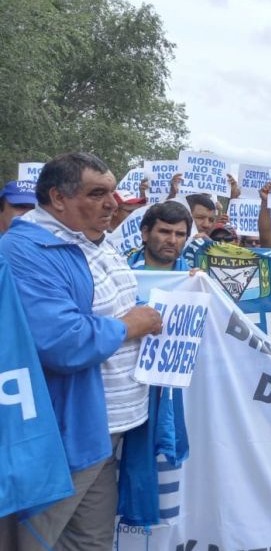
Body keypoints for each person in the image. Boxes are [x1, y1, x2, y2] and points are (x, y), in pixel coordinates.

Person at [0, 152, 163, 550]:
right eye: (97, 194)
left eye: (113, 192)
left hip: (110, 430)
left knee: (89, 541)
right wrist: (131, 325)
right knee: (34, 540)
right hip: (63, 433)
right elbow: (61, 341)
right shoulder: (24, 251)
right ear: (57, 197)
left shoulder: (97, 241)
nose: (112, 203)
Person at [127, 201, 192, 270]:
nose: (172, 241)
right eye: (165, 232)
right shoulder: (118, 269)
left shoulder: (194, 278)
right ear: (145, 233)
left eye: (180, 234)